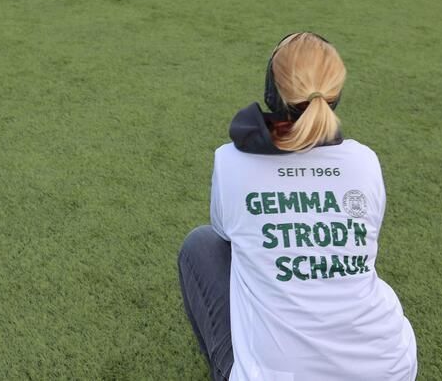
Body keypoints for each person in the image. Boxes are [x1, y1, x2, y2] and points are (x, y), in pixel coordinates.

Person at [178, 32, 418, 381]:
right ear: (335, 93)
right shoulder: (364, 161)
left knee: (201, 244)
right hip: (389, 368)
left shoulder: (231, 161)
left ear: (272, 91)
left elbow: (224, 233)